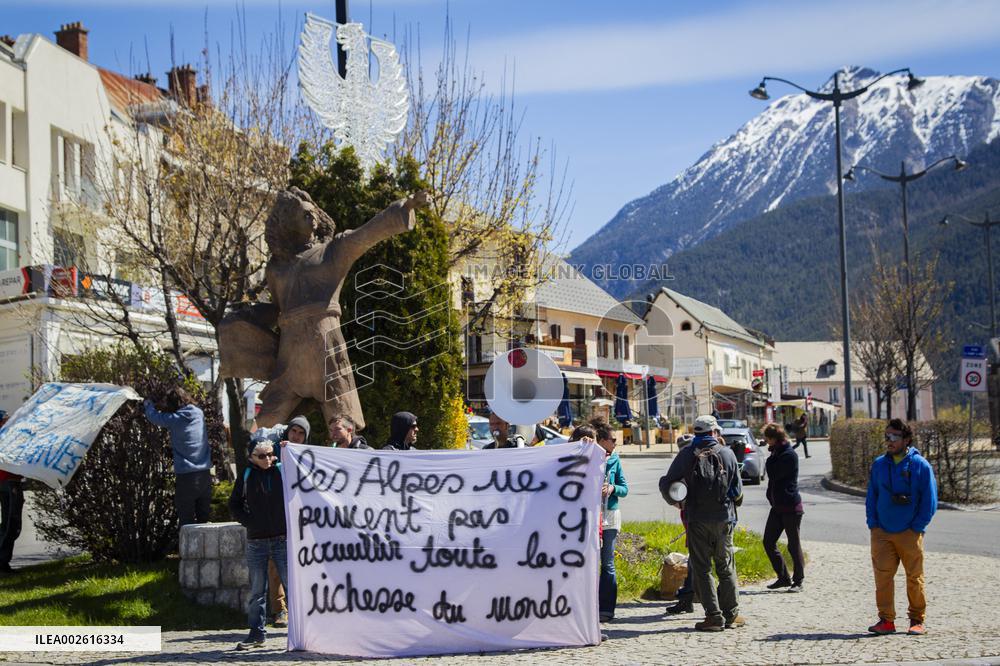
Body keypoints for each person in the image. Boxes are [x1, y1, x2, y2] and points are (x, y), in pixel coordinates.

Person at [660, 415, 744, 631]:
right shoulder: (727, 453)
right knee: (726, 567)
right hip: (724, 518)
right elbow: (738, 492)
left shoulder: (686, 454)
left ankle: (713, 618)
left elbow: (667, 483)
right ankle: (732, 615)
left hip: (696, 518)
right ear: (714, 432)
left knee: (703, 569)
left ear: (695, 432)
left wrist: (677, 502)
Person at [865, 418, 937, 636]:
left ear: (906, 439)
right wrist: (873, 524)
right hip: (882, 532)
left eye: (894, 436)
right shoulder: (879, 464)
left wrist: (917, 527)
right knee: (883, 577)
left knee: (914, 577)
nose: (889, 440)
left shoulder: (921, 465)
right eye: (887, 436)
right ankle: (886, 621)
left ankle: (917, 620)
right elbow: (871, 496)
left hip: (909, 532)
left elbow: (929, 501)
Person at [248, 416, 310, 629]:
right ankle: (280, 610)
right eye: (294, 431)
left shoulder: (308, 456)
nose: (296, 436)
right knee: (276, 568)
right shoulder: (273, 456)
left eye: (301, 433)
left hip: (302, 520)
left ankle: (303, 614)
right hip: (278, 523)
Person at [229, 441, 288, 650]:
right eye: (261, 456)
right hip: (256, 541)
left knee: (292, 587)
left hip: (282, 539)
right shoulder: (246, 476)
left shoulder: (283, 471)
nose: (267, 459)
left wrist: (290, 449)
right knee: (257, 591)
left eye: (271, 454)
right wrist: (249, 522)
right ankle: (256, 633)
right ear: (252, 457)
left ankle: (300, 633)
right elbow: (234, 504)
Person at [143, 388, 212, 527]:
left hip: (186, 476)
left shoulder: (175, 419)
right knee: (203, 521)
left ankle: (190, 549)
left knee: (187, 522)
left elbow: (154, 417)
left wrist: (148, 404)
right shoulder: (199, 414)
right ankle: (205, 549)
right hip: (205, 474)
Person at [761, 423, 805, 592]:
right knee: (768, 541)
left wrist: (770, 458)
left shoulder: (788, 455)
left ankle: (798, 581)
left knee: (793, 544)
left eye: (767, 438)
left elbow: (774, 474)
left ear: (773, 439)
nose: (766, 442)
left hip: (791, 506)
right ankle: (783, 577)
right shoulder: (778, 453)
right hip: (777, 506)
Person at [593, 420, 628, 623]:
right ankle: (591, 606)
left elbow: (625, 488)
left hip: (609, 517)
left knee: (607, 563)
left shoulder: (615, 460)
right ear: (602, 440)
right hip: (591, 516)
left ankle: (607, 609)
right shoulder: (590, 457)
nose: (615, 443)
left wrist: (613, 488)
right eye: (612, 440)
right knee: (589, 563)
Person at [0, 409, 23, 576]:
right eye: (6, 420)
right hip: (8, 483)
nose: (10, 422)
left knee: (11, 524)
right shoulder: (4, 438)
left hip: (11, 482)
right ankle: (1, 563)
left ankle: (3, 562)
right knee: (10, 525)